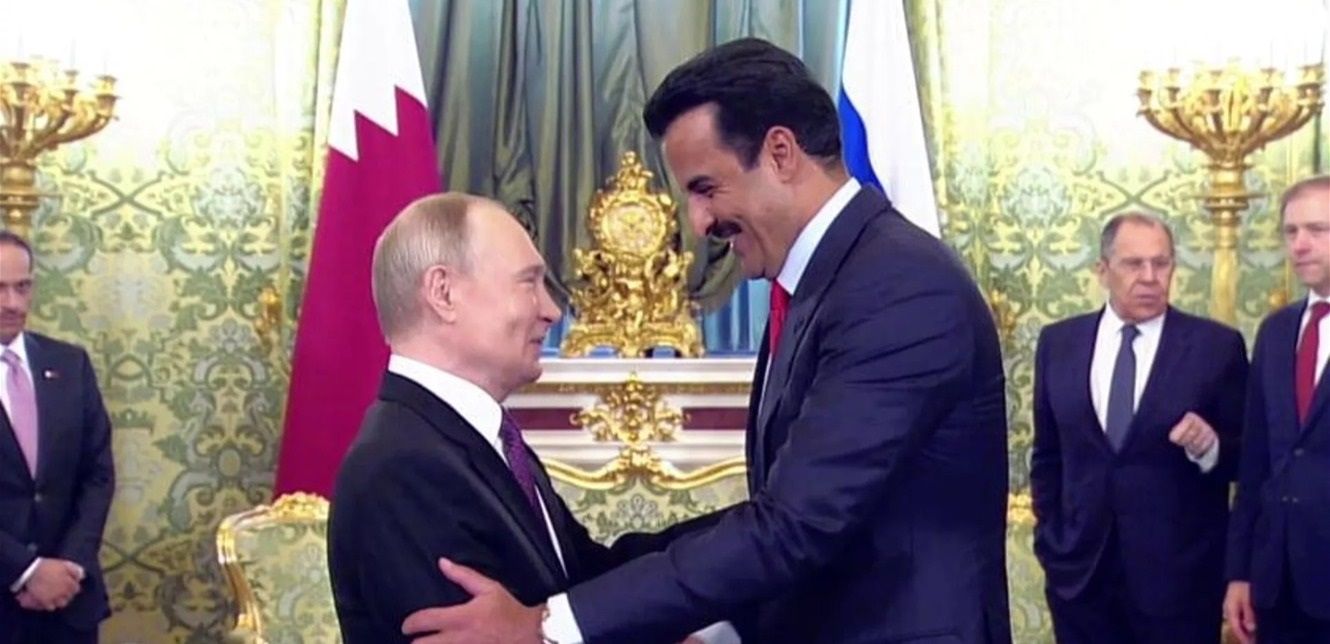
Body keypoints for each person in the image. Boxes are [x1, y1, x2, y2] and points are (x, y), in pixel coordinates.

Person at [401, 37, 1011, 644]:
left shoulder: (897, 288)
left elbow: (794, 526)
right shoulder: (828, 283)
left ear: (780, 153)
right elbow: (793, 511)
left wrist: (550, 625)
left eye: (705, 188)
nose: (698, 223)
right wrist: (604, 587)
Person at [326, 194, 723, 644]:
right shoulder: (402, 468)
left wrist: (763, 527)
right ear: (444, 293)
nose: (552, 310)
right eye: (528, 282)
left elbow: (582, 580)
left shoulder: (479, 439)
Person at [1030, 213, 1247, 643]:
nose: (1150, 277)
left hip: (1179, 584)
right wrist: (1052, 541)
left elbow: (1250, 459)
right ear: (1102, 270)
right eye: (1133, 264)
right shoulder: (1059, 344)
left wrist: (1210, 448)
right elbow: (1048, 456)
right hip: (1080, 579)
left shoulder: (1216, 347)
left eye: (1161, 263)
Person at [1225, 174, 1330, 644]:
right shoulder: (1277, 331)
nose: (1299, 245)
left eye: (1317, 230)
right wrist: (1240, 572)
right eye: (1291, 232)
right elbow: (1256, 462)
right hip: (1277, 584)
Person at [0, 231, 115, 643]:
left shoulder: (69, 364)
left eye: (22, 287)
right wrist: (26, 571)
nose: (13, 303)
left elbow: (98, 474)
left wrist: (69, 565)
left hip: (68, 604)